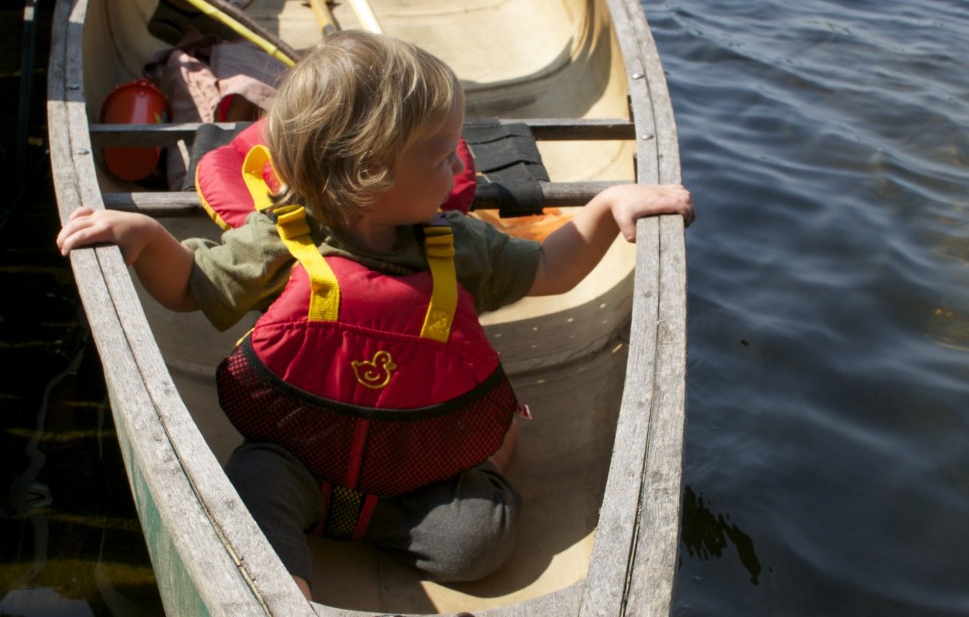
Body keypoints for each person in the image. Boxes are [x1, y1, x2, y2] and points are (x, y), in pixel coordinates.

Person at [56, 30, 695, 600]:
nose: (457, 166)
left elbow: (550, 270)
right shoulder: (284, 235)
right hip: (300, 461)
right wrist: (143, 236)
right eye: (443, 155)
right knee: (251, 481)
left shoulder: (457, 243)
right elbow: (195, 285)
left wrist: (608, 208)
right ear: (368, 173)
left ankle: (483, 460)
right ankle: (291, 593)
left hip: (422, 464)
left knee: (477, 543)